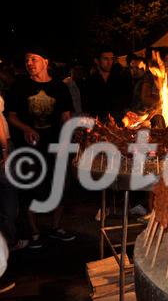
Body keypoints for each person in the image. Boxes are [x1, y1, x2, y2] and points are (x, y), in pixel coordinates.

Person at [5, 47, 75, 248]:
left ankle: (55, 227)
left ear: (45, 61)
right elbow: (10, 116)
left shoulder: (60, 88)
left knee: (59, 184)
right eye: (26, 60)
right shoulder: (19, 86)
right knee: (31, 187)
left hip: (54, 144)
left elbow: (65, 115)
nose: (29, 63)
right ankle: (34, 231)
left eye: (33, 59)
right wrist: (26, 129)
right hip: (29, 146)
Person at [81, 46, 132, 121]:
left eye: (111, 59)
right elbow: (87, 104)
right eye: (105, 59)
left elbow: (126, 99)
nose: (109, 62)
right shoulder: (90, 81)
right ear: (97, 61)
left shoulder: (120, 78)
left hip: (118, 122)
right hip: (97, 122)